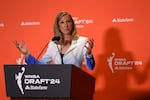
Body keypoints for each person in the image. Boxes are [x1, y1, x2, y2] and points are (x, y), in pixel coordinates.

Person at [14, 11, 95, 70]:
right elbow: (40, 65)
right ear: (58, 26)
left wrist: (88, 54)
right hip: (58, 86)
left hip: (75, 84)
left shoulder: (82, 41)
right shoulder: (53, 44)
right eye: (62, 22)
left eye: (68, 21)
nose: (66, 25)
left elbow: (90, 67)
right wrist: (26, 54)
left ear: (72, 24)